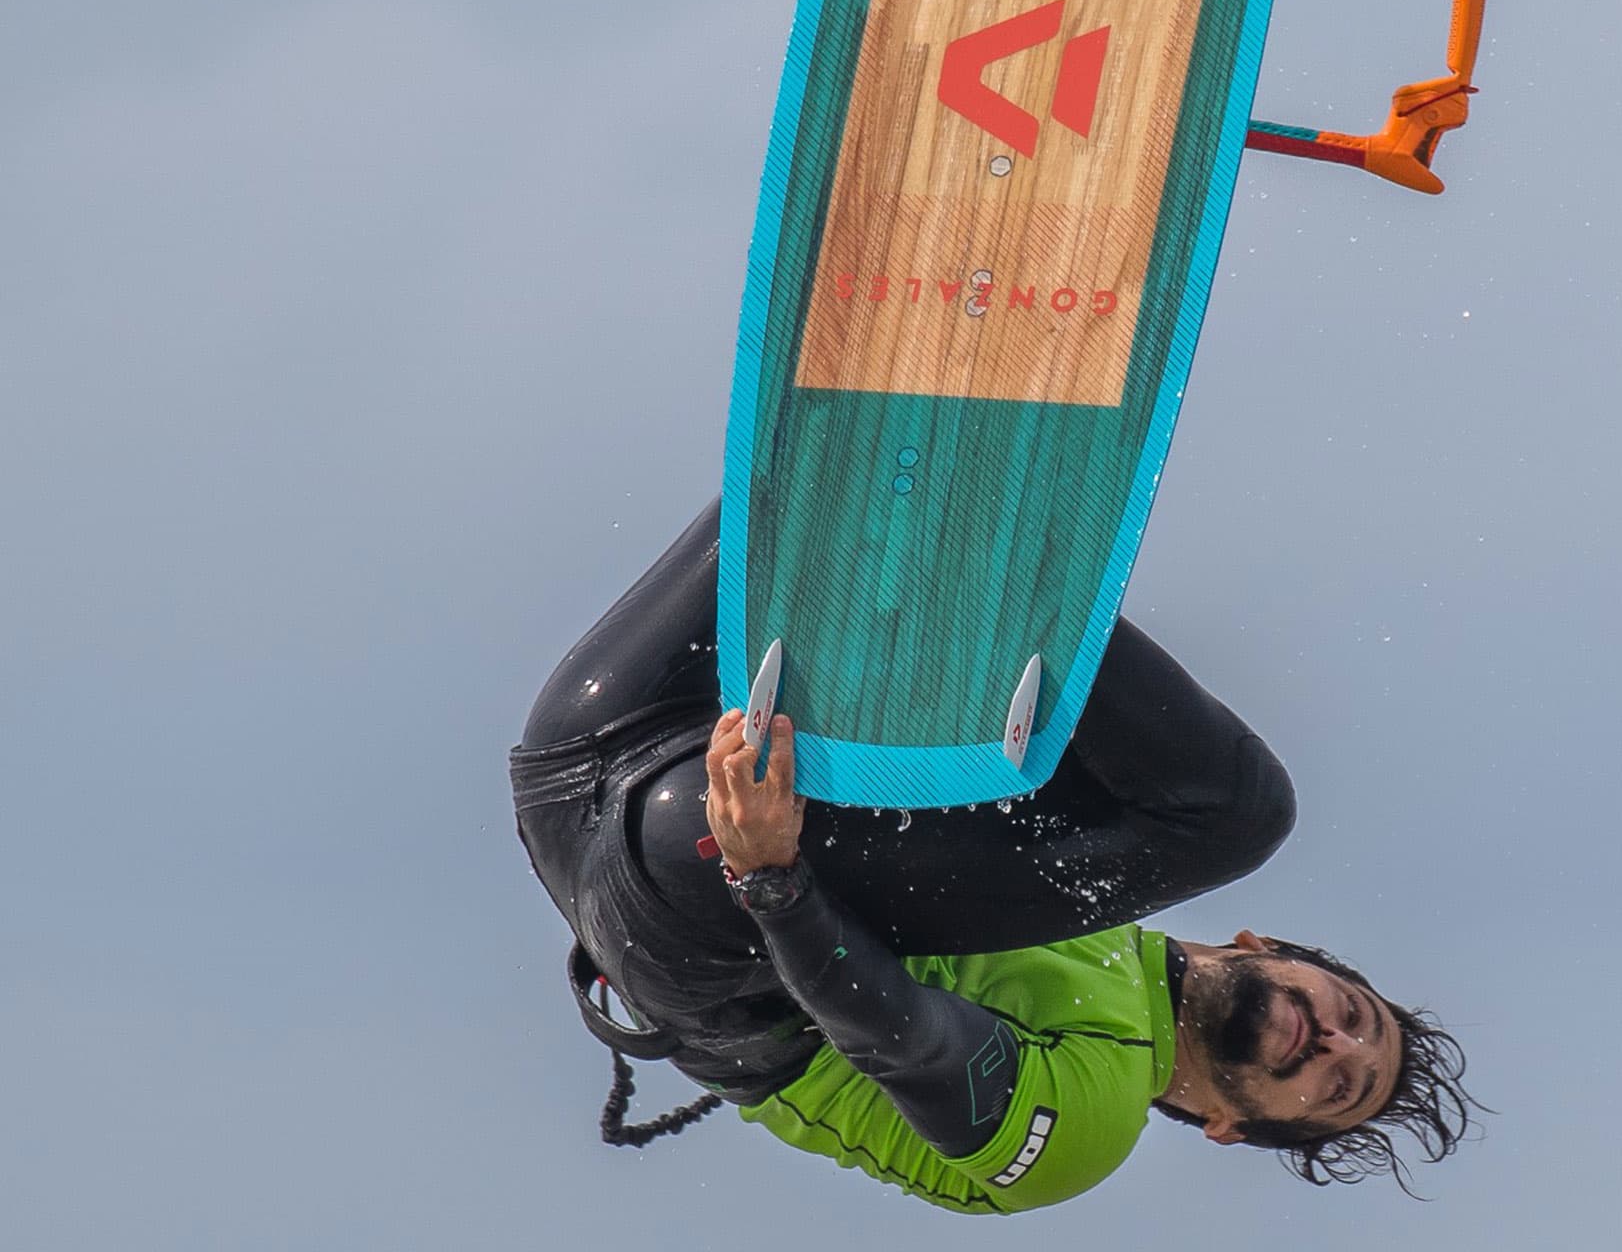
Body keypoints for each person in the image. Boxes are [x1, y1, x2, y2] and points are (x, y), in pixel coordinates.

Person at [510, 499, 1476, 1213]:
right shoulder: (1091, 899)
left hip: (708, 930)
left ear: (1232, 1127)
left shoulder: (1093, 1128)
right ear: (1268, 943)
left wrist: (769, 880)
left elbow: (910, 1039)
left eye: (1338, 1086)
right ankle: (935, 476)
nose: (1334, 1042)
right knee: (820, 486)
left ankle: (991, 536)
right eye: (1354, 1015)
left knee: (1236, 818)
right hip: (581, 755)